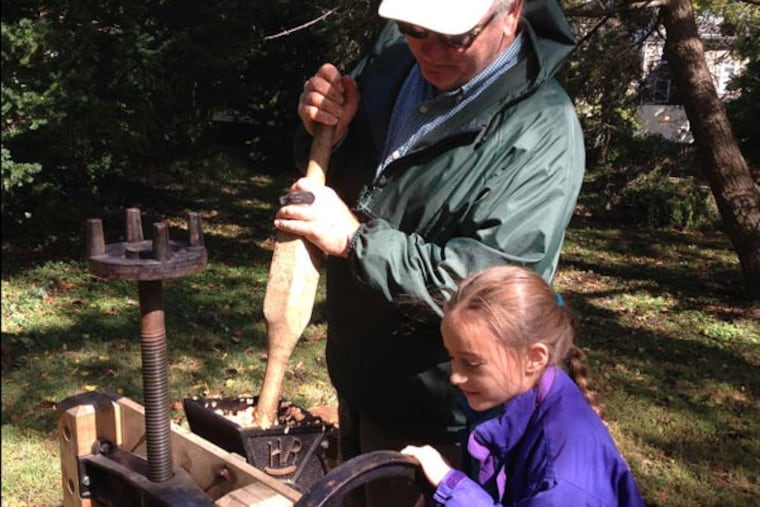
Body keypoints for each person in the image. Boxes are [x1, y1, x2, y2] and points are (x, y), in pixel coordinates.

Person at [275, 0, 585, 503]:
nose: (429, 51)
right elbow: (354, 176)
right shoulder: (394, 57)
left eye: (453, 37)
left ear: (510, 13)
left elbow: (486, 289)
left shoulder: (543, 129)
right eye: (414, 28)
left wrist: (356, 240)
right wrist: (331, 129)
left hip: (446, 416)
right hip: (360, 376)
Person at [402, 265, 645, 506]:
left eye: (472, 363)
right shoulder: (515, 397)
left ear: (534, 358)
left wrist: (452, 485)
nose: (455, 377)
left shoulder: (563, 480)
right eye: (452, 358)